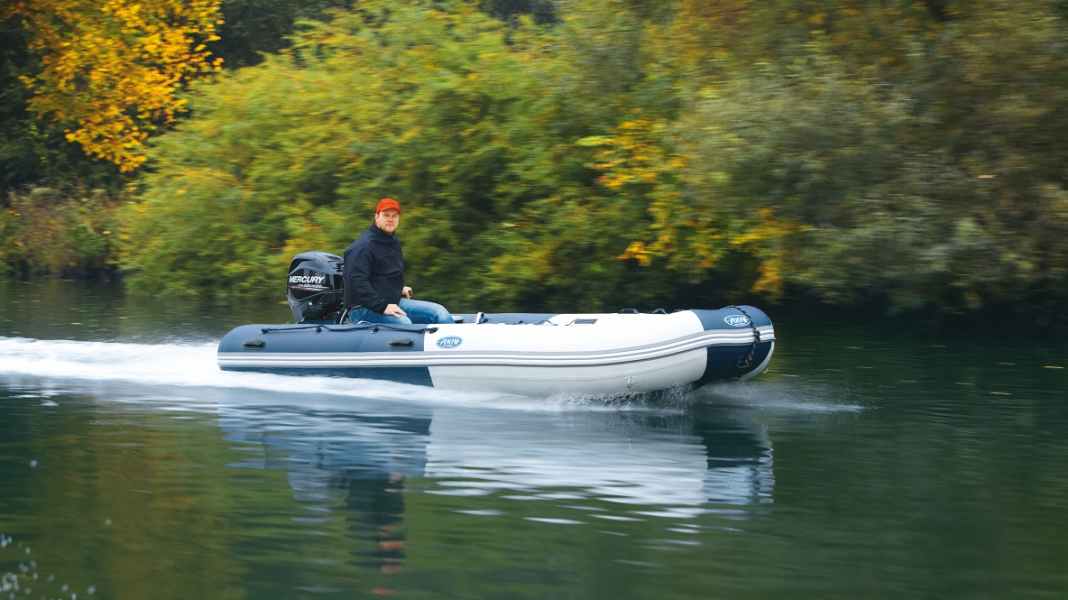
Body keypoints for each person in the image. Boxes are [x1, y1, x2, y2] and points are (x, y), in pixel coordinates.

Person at [342, 197, 453, 326]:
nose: (391, 219)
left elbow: (382, 275)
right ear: (376, 217)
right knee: (404, 323)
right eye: (386, 215)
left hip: (391, 301)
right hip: (363, 308)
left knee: (440, 313)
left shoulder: (393, 242)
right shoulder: (363, 246)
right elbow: (356, 283)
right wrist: (383, 307)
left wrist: (398, 288)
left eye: (394, 216)